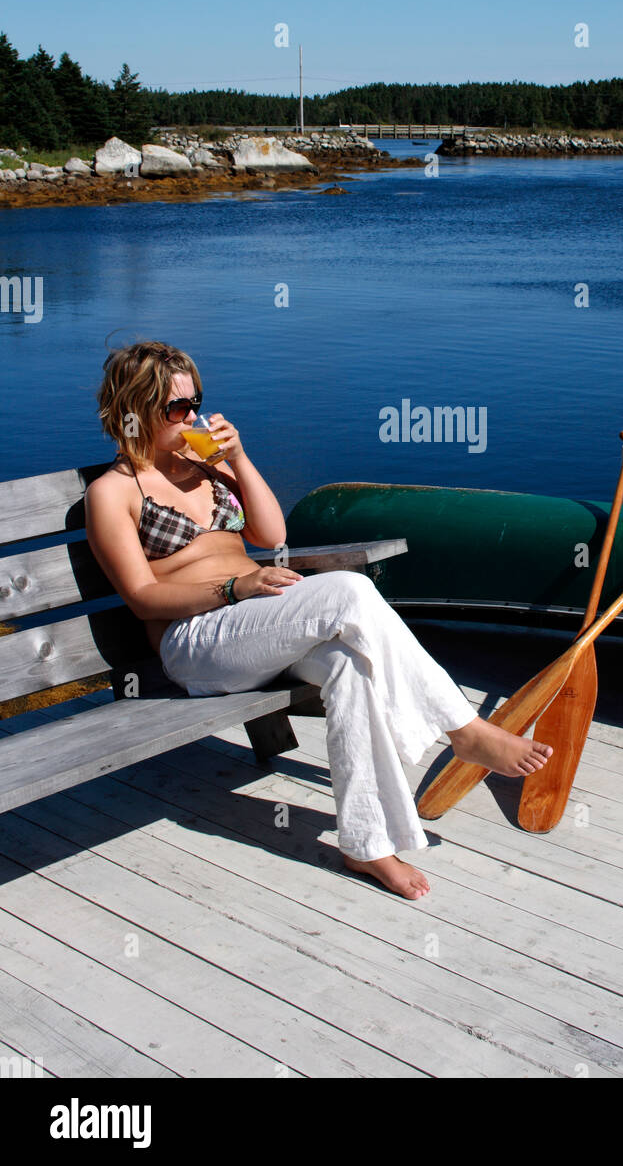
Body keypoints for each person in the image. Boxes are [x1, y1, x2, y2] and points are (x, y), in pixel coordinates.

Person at [85, 341, 552, 900]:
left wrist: (236, 459)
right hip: (196, 642)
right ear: (133, 408)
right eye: (175, 409)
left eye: (196, 403)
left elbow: (272, 536)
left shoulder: (205, 465)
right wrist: (235, 585)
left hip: (256, 625)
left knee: (349, 665)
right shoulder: (112, 494)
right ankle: (464, 729)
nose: (192, 417)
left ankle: (367, 843)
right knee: (351, 589)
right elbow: (141, 598)